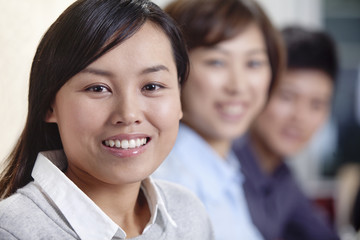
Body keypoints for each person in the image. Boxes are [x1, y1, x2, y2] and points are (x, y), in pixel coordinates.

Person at [0, 0, 214, 239]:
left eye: (152, 86)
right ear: (49, 104)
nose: (129, 114)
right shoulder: (13, 231)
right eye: (98, 88)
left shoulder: (187, 214)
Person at [152, 0, 284, 239]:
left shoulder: (224, 167)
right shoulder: (169, 182)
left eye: (253, 63)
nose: (238, 86)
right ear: (175, 69)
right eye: (217, 62)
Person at [232, 26, 340, 240]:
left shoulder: (283, 177)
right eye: (287, 96)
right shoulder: (226, 169)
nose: (299, 117)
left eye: (316, 104)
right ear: (260, 90)